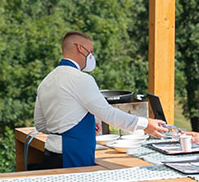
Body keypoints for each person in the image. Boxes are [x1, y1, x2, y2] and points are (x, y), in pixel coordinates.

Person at [34, 32, 168, 169]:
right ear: (80, 48)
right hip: (72, 155)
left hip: (50, 154)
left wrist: (72, 128)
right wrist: (145, 124)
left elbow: (40, 124)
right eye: (90, 51)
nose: (92, 56)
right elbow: (108, 114)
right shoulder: (81, 79)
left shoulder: (46, 81)